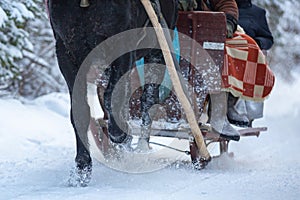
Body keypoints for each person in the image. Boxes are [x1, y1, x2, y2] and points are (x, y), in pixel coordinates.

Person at [178, 0, 241, 141]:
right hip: (165, 28)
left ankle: (219, 114)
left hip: (204, 30)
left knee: (224, 55)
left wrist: (226, 24)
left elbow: (226, 4)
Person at [227, 0, 274, 127]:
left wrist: (257, 44)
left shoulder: (257, 13)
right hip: (228, 53)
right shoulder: (223, 7)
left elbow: (268, 39)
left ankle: (243, 110)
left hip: (248, 56)